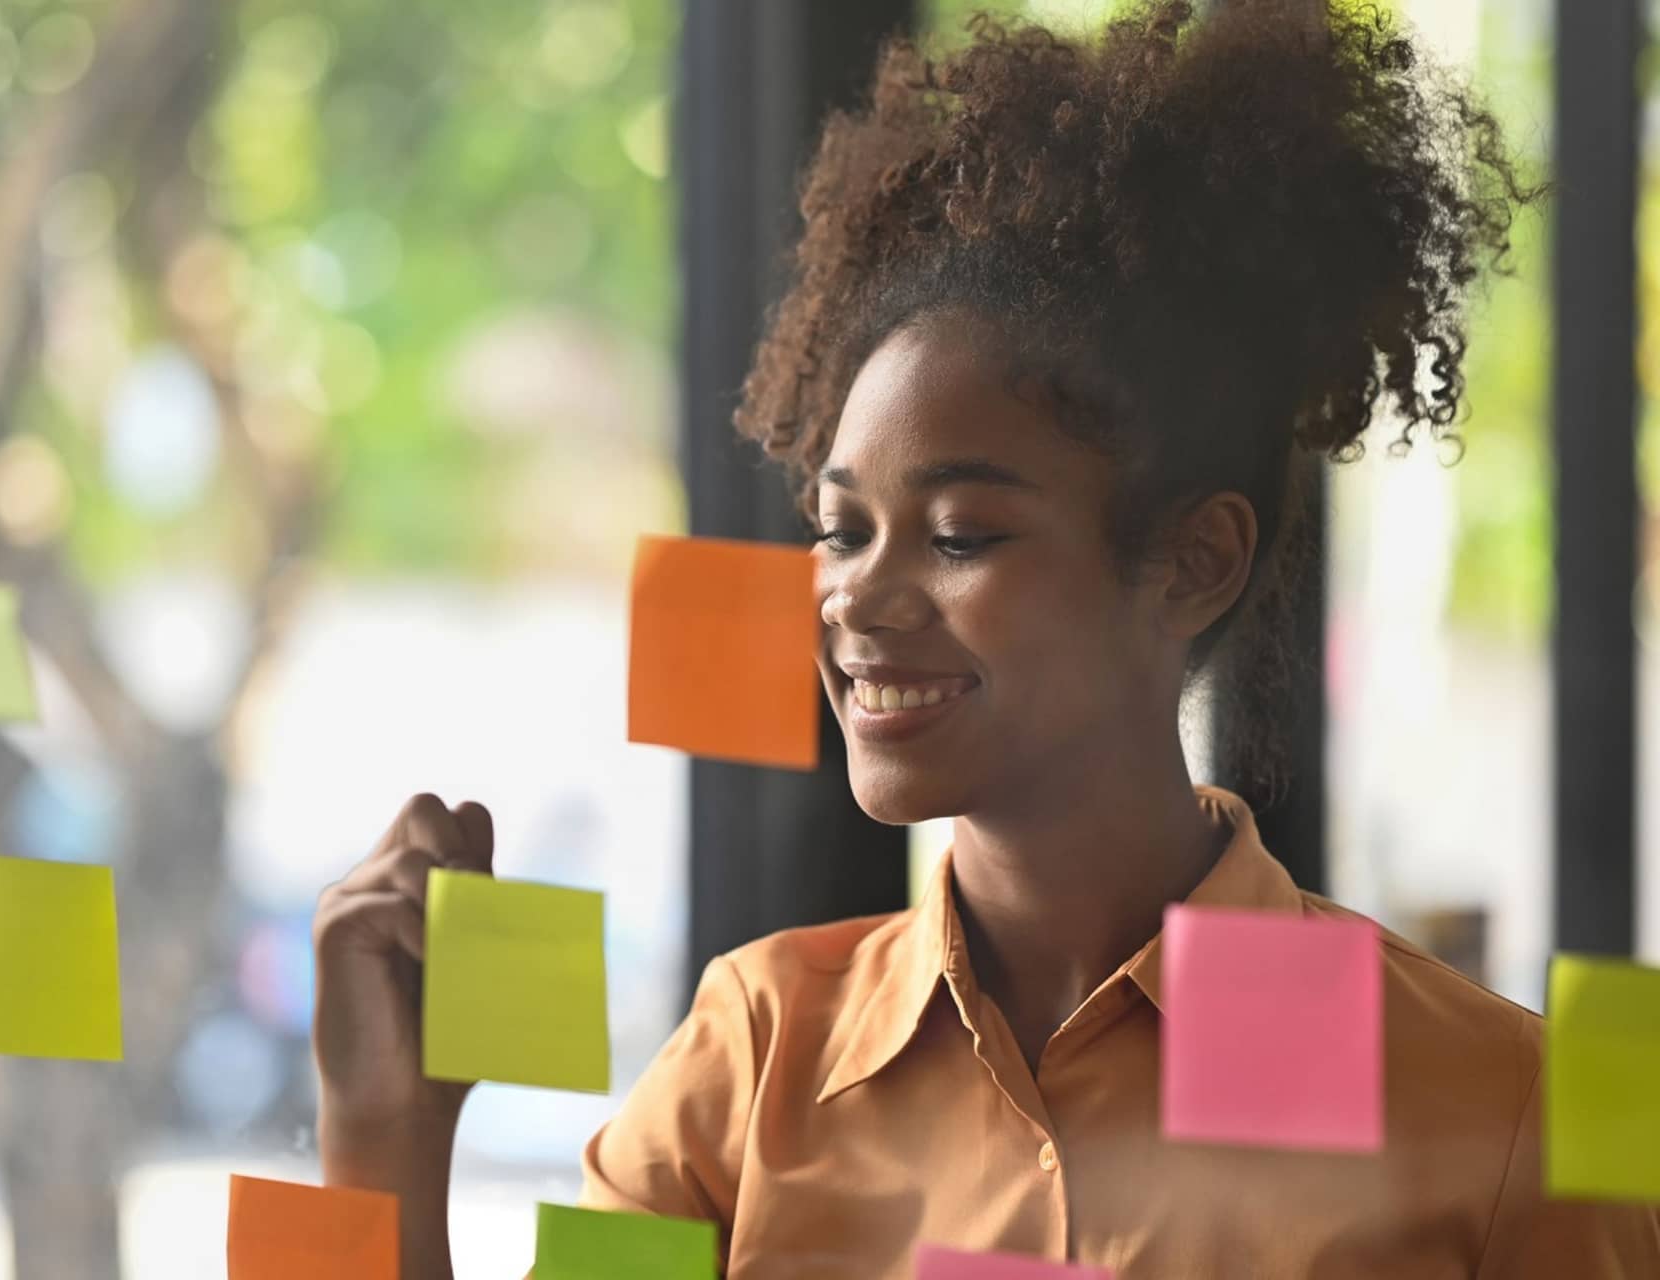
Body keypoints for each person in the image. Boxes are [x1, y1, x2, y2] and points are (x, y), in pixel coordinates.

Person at [311, 2, 1660, 1275]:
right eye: (844, 532)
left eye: (958, 535)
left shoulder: (1491, 1105)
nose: (860, 599)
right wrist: (383, 1136)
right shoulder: (755, 1059)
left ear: (1194, 560)